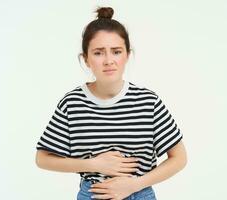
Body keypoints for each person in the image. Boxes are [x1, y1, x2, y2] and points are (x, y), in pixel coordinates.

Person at [35, 7, 187, 200]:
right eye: (98, 53)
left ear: (127, 55)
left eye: (116, 51)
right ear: (86, 59)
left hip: (139, 194)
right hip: (92, 194)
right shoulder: (72, 103)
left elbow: (179, 158)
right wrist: (93, 164)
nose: (108, 60)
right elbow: (43, 159)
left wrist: (135, 184)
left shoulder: (148, 101)